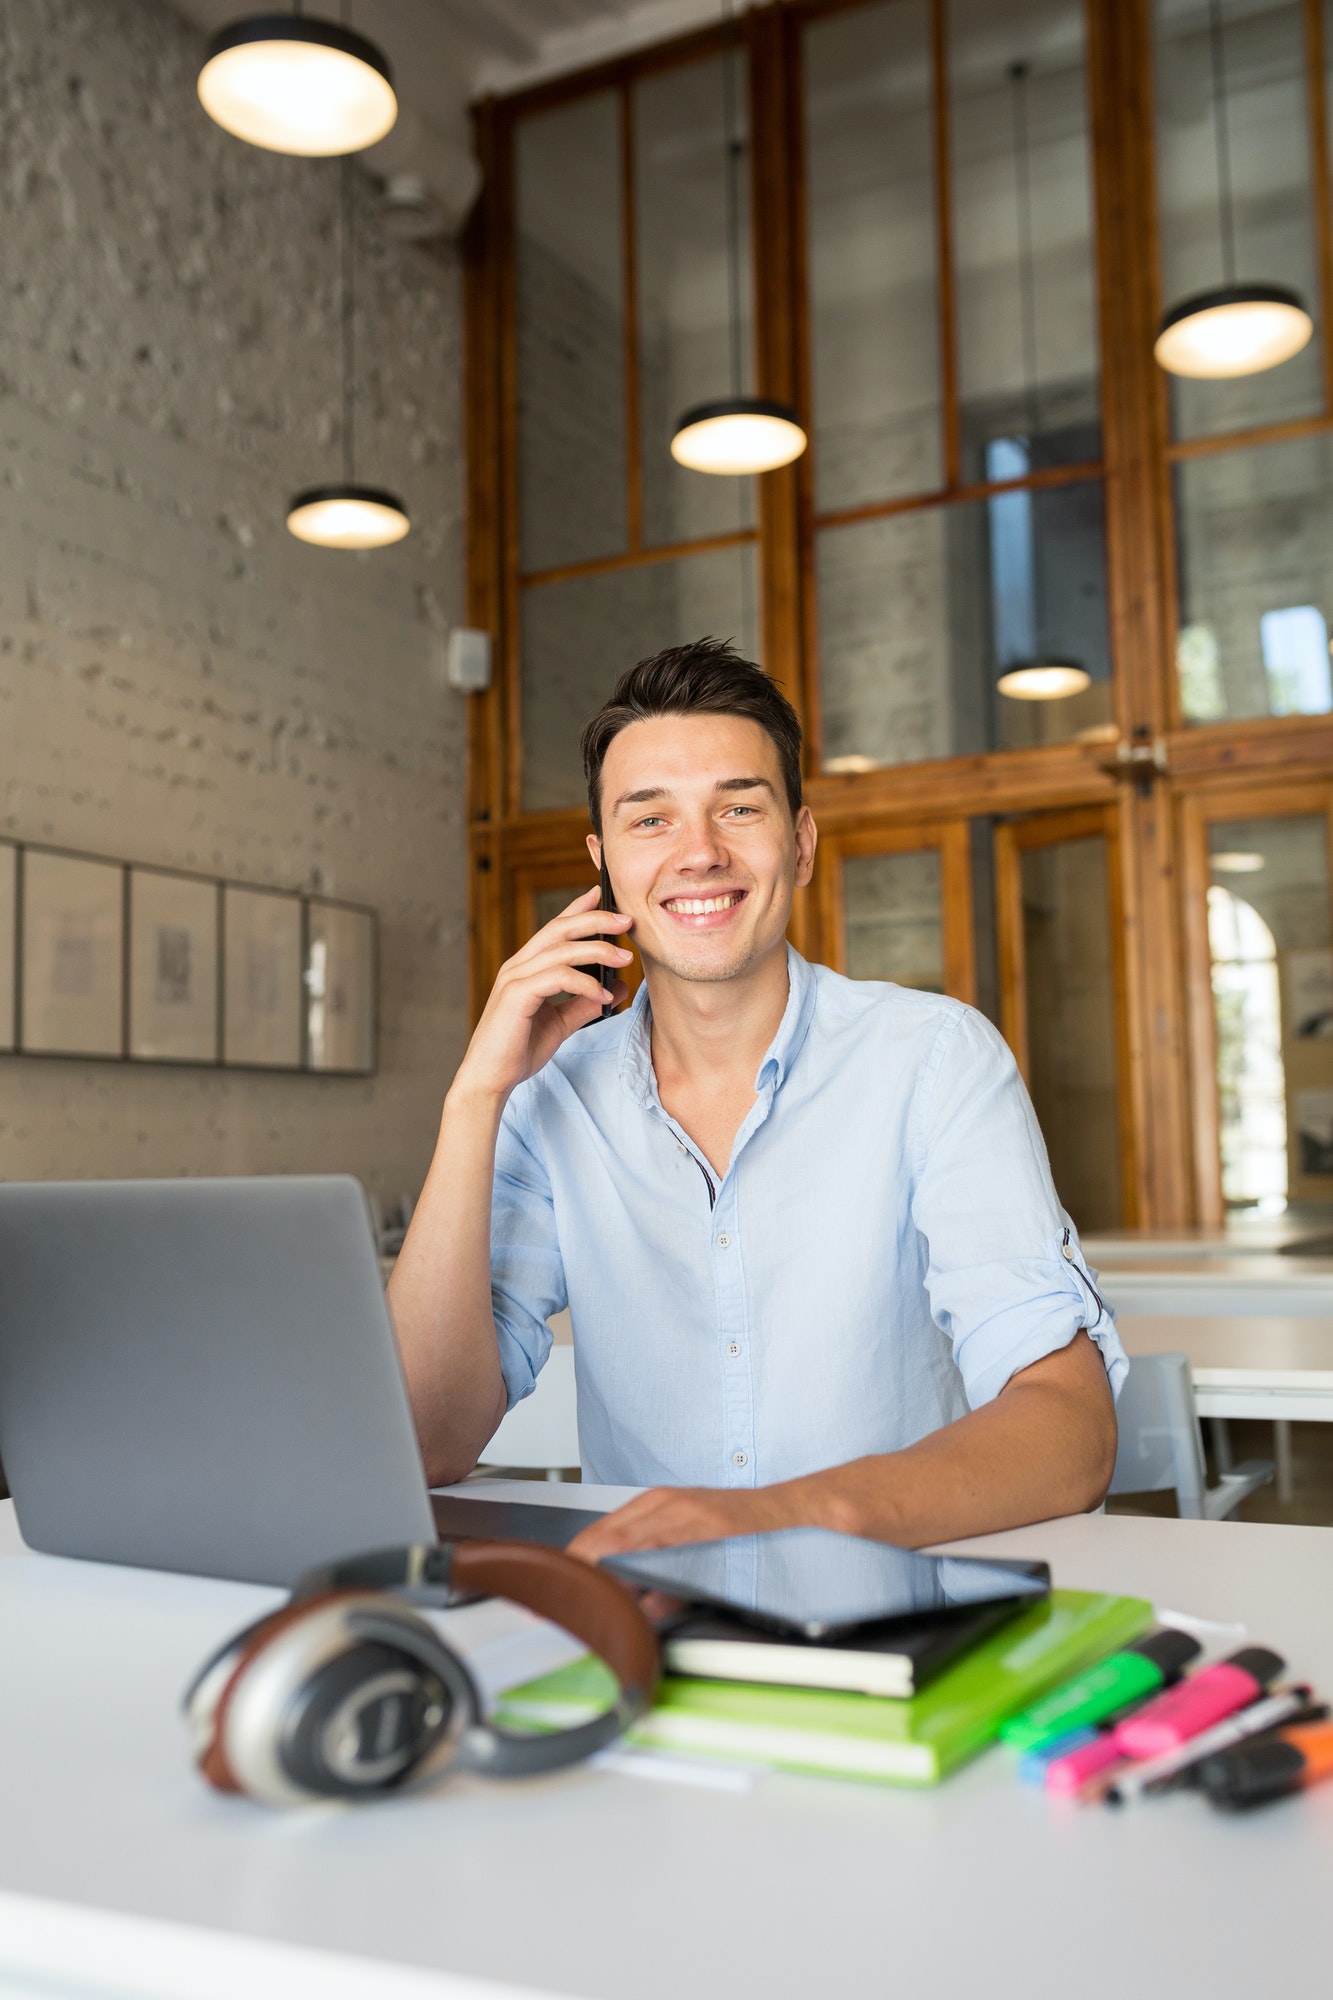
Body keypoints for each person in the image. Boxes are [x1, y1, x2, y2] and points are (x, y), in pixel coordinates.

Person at [389, 639, 1123, 1562]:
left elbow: (1069, 1430)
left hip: (901, 1607)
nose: (698, 853)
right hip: (651, 1620)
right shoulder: (550, 1099)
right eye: (649, 821)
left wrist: (785, 1512)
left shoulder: (934, 1059)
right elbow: (423, 1440)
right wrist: (474, 1099)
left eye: (738, 808)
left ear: (801, 843)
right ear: (604, 862)